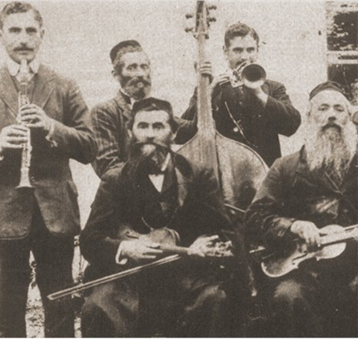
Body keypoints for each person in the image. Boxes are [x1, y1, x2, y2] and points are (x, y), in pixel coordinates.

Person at [0, 2, 96, 337]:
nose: (23, 38)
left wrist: (51, 126)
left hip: (55, 211)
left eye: (30, 30)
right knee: (7, 310)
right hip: (2, 211)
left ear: (42, 34)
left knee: (60, 305)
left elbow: (90, 146)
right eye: (14, 30)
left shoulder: (64, 85)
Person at [246, 82, 358, 337]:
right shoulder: (285, 167)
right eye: (323, 108)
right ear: (309, 118)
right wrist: (294, 225)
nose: (331, 115)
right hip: (306, 270)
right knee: (289, 295)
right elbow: (255, 218)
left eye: (339, 109)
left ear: (349, 118)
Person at [80, 98, 239, 337]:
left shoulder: (197, 175)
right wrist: (124, 247)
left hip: (184, 276)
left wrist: (203, 244)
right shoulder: (115, 180)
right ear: (131, 132)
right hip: (130, 282)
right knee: (97, 306)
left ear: (173, 132)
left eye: (158, 127)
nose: (150, 134)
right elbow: (90, 240)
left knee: (214, 299)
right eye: (142, 126)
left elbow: (226, 232)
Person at [180, 23, 301, 166]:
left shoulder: (273, 88)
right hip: (226, 174)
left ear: (257, 51)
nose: (244, 57)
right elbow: (185, 134)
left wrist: (259, 93)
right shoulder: (212, 87)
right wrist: (208, 94)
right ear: (226, 52)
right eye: (237, 50)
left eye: (250, 50)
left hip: (264, 173)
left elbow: (291, 125)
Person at [91, 40, 191, 180]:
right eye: (132, 68)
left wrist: (204, 89)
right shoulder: (104, 112)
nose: (140, 73)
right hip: (126, 198)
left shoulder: (157, 110)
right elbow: (108, 168)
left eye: (144, 67)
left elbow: (191, 131)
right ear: (116, 75)